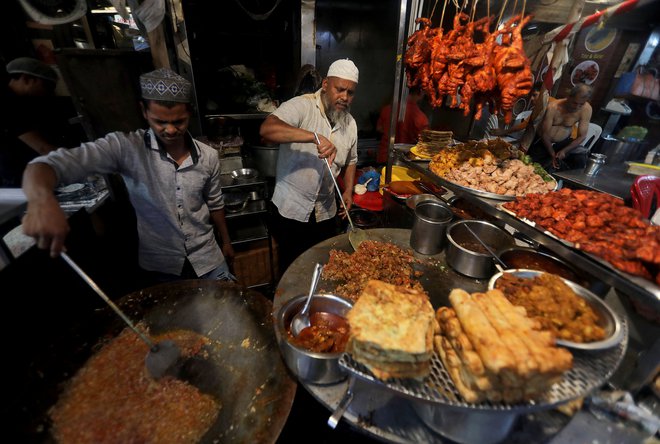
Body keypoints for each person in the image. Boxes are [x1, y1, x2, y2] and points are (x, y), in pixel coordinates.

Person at [21, 67, 236, 283]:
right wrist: (41, 199)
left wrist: (226, 242)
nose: (170, 130)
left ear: (190, 112)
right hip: (162, 265)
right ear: (144, 111)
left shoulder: (208, 156)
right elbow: (47, 165)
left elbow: (215, 202)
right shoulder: (126, 148)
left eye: (178, 121)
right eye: (160, 121)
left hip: (208, 258)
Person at [259, 58, 359, 272]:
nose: (345, 97)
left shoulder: (350, 124)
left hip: (325, 212)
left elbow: (351, 160)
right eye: (340, 89)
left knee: (322, 267)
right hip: (291, 210)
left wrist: (348, 190)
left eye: (350, 93)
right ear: (325, 85)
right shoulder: (302, 106)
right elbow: (267, 130)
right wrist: (313, 136)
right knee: (292, 269)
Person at [1, 57, 59, 187]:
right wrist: (77, 160)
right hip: (13, 177)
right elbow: (42, 147)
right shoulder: (8, 103)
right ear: (27, 79)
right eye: (47, 86)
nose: (48, 93)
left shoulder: (19, 101)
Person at [528, 83, 593, 172]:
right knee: (537, 167)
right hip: (543, 142)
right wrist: (552, 153)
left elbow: (582, 136)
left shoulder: (586, 109)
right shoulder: (553, 107)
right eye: (574, 103)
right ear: (569, 97)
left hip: (563, 143)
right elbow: (544, 134)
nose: (577, 107)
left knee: (581, 155)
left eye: (581, 104)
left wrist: (565, 151)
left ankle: (571, 183)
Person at [376, 87, 429, 164]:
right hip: (404, 160)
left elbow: (379, 128)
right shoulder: (421, 117)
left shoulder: (387, 109)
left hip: (384, 156)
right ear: (420, 92)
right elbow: (425, 143)